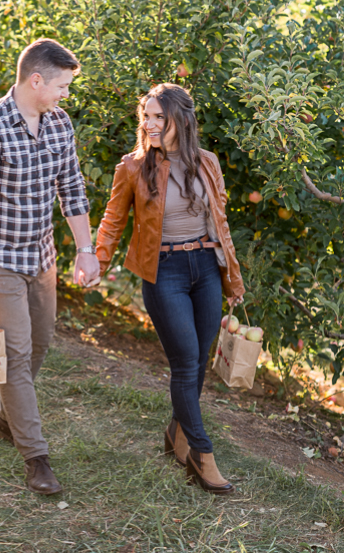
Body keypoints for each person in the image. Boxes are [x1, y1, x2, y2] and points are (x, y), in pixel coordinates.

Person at [0, 38, 100, 495]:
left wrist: (85, 249)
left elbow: (72, 188)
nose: (66, 95)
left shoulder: (59, 123)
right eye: (62, 86)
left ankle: (6, 420)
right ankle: (36, 458)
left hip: (40, 256)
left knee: (39, 344)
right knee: (16, 353)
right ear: (36, 80)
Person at [95, 82, 245, 495]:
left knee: (198, 366)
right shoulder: (133, 166)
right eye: (147, 115)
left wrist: (232, 276)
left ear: (181, 119)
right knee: (185, 362)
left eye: (159, 116)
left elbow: (221, 223)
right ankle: (202, 452)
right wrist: (98, 260)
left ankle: (175, 435)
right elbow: (112, 219)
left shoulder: (208, 163)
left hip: (206, 268)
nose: (150, 123)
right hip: (164, 272)